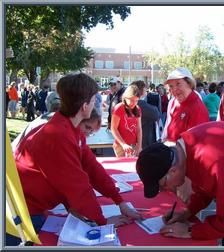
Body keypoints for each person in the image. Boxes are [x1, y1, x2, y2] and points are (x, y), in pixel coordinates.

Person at [9, 73, 141, 246]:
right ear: (85, 106)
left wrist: (120, 201)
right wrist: (101, 223)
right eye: (94, 101)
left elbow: (92, 167)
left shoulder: (70, 129)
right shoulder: (59, 135)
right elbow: (77, 187)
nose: (96, 104)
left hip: (33, 207)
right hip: (23, 213)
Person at [161, 67, 209, 204]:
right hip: (175, 168)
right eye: (171, 86)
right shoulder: (177, 104)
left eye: (178, 84)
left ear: (189, 83)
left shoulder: (196, 107)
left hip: (187, 172)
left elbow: (195, 148)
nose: (174, 89)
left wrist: (187, 181)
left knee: (184, 209)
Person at [111, 84, 142, 157]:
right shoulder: (119, 108)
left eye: (136, 101)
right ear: (125, 98)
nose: (134, 103)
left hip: (134, 144)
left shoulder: (137, 109)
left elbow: (139, 129)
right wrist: (123, 144)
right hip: (120, 145)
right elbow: (113, 128)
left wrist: (139, 145)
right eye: (131, 100)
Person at [131, 80, 160, 149]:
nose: (146, 90)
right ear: (141, 90)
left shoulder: (129, 103)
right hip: (143, 141)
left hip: (133, 139)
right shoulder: (140, 104)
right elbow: (156, 114)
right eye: (144, 88)